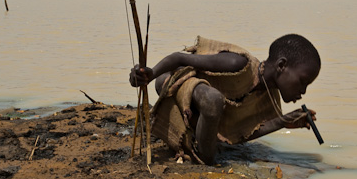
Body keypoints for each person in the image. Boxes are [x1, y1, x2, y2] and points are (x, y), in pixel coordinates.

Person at [130, 34, 321, 165]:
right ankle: (205, 159)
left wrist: (286, 120)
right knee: (213, 99)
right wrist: (150, 74)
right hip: (175, 86)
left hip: (200, 117)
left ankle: (204, 153)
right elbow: (180, 59)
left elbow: (241, 135)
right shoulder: (240, 64)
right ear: (281, 65)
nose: (302, 91)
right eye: (302, 81)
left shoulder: (269, 101)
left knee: (214, 105)